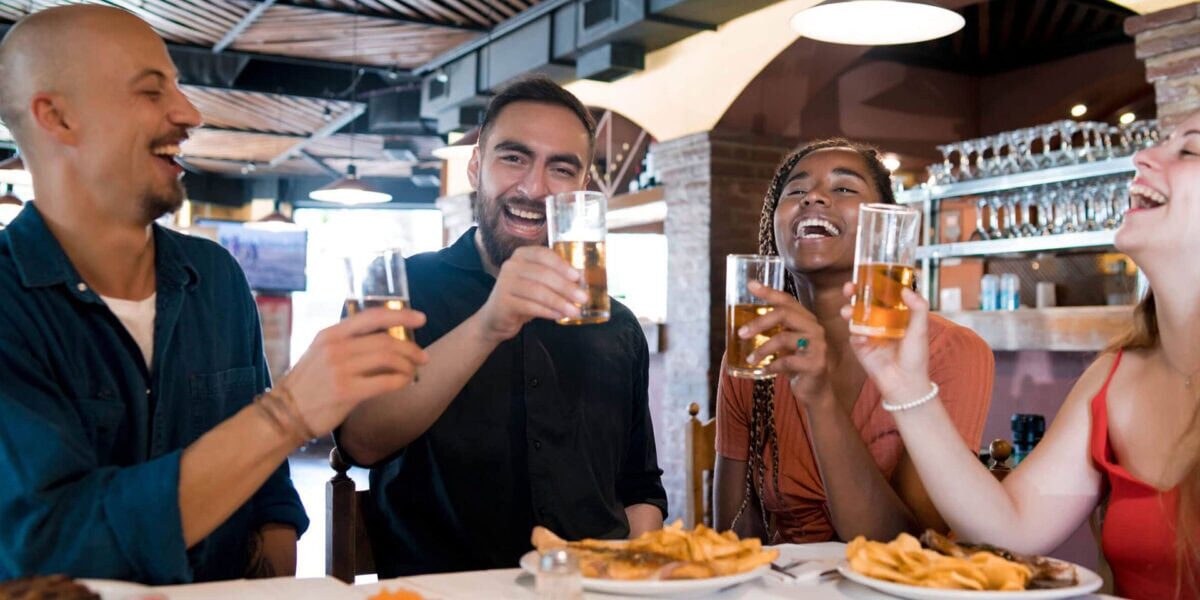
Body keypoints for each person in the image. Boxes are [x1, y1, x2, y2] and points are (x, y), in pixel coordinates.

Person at [0, 6, 426, 583]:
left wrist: (276, 557)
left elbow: (268, 484)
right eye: (152, 92)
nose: (189, 112)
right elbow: (48, 543)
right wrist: (290, 413)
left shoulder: (216, 277)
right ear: (57, 117)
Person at [846, 117, 1200, 600]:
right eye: (1159, 143)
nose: (1142, 158)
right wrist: (903, 384)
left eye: (1190, 151)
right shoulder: (1114, 377)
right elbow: (1007, 528)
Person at [335, 75, 666, 576]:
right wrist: (489, 324)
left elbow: (640, 488)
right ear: (475, 166)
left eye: (561, 168)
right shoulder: (402, 289)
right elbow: (361, 442)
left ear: (582, 187)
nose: (533, 188)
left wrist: (640, 580)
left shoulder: (614, 324)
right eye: (513, 157)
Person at [713, 139, 994, 544]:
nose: (813, 197)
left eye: (844, 188)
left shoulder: (951, 352)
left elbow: (910, 547)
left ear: (887, 226)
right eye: (795, 190)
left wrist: (818, 396)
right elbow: (730, 537)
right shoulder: (755, 353)